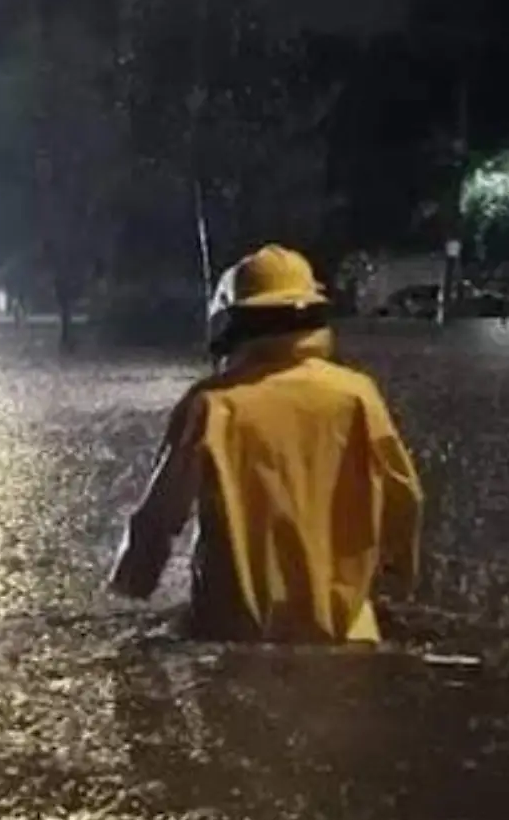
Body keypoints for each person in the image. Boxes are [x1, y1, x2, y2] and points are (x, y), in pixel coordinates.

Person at [109, 245, 424, 642]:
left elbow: (160, 514)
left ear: (230, 323)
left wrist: (133, 582)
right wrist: (398, 580)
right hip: (346, 629)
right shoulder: (359, 395)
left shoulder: (211, 404)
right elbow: (405, 498)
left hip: (233, 628)